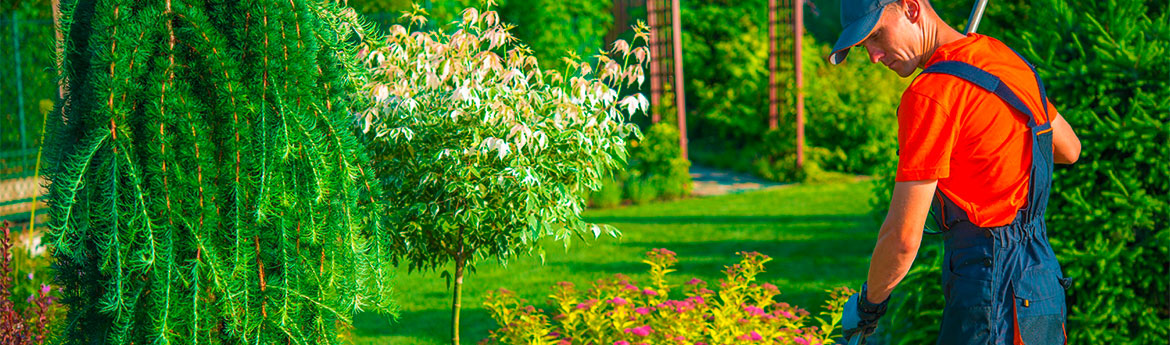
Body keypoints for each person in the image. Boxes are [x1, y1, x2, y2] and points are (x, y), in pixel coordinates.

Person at [826, 0, 1081, 344]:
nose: (873, 55)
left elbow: (902, 239)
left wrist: (868, 304)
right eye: (863, 46)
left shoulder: (931, 95)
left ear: (911, 9)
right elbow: (1068, 148)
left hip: (988, 291)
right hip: (1041, 284)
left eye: (876, 36)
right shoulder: (1001, 59)